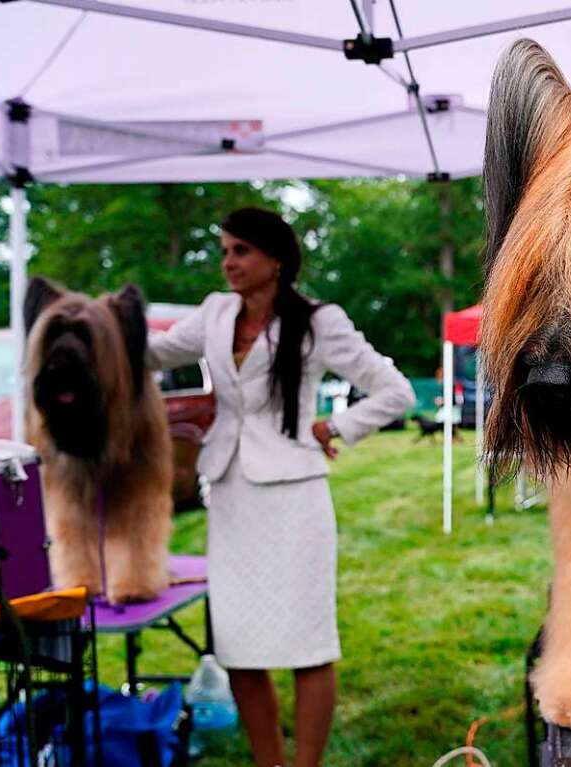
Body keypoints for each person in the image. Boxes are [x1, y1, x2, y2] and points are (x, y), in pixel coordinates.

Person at [148, 207, 415, 767]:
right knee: (240, 648)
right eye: (224, 251)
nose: (228, 263)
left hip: (295, 497)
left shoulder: (320, 321)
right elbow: (154, 353)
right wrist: (97, 325)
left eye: (240, 251)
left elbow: (395, 391)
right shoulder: (215, 314)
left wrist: (338, 426)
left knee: (308, 644)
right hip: (230, 497)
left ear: (275, 259)